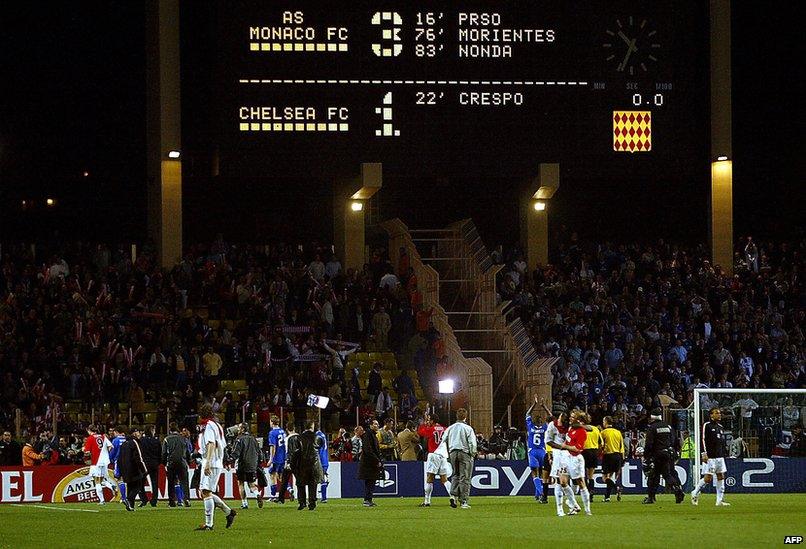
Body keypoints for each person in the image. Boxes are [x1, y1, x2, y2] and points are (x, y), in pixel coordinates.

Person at [195, 403, 236, 531]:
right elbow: (222, 445)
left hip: (211, 462)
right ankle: (229, 512)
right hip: (216, 461)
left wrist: (207, 463)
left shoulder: (208, 426)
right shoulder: (217, 425)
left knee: (206, 492)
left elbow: (211, 444)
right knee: (207, 491)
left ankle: (209, 524)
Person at [641, 408, 685, 504]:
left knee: (653, 476)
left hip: (658, 455)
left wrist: (646, 457)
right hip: (670, 453)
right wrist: (676, 452)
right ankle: (678, 489)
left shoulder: (652, 428)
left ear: (651, 418)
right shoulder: (668, 426)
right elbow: (676, 441)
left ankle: (651, 497)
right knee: (669, 474)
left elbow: (649, 444)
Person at [691, 407, 730, 507]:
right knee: (708, 478)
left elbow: (721, 442)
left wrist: (724, 453)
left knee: (721, 476)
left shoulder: (720, 427)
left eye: (720, 413)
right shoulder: (706, 425)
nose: (719, 414)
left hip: (720, 457)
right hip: (710, 457)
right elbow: (702, 439)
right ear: (711, 415)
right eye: (716, 413)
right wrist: (704, 453)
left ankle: (719, 501)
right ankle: (695, 492)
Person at [443, 408, 477, 509]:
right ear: (465, 417)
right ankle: (464, 501)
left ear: (456, 416)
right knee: (465, 477)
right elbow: (472, 443)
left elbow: (443, 440)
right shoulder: (468, 428)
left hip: (453, 452)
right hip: (464, 453)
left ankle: (453, 495)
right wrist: (472, 454)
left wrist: (448, 453)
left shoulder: (450, 428)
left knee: (455, 475)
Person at [560, 410, 591, 516]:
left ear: (578, 420)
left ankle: (587, 510)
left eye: (572, 417)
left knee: (581, 483)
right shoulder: (570, 428)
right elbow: (567, 441)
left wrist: (565, 447)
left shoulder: (582, 432)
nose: (570, 418)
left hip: (576, 459)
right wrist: (563, 447)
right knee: (563, 482)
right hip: (566, 457)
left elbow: (577, 449)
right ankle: (575, 505)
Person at [289, 420, 324, 511]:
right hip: (314, 464)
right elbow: (320, 448)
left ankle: (302, 503)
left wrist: (293, 465)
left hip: (302, 464)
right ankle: (312, 503)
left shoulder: (298, 438)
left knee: (301, 484)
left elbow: (295, 453)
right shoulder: (318, 437)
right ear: (312, 427)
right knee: (313, 484)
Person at [231, 422, 263, 509]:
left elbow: (236, 453)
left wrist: (230, 459)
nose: (237, 429)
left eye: (239, 428)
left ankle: (244, 503)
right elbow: (259, 452)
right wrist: (259, 462)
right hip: (252, 465)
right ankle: (257, 494)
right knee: (252, 484)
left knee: (241, 483)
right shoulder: (253, 439)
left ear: (242, 429)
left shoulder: (239, 439)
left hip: (242, 464)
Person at [545, 411, 572, 516]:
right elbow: (548, 441)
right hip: (558, 456)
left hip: (570, 456)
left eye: (561, 419)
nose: (558, 420)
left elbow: (589, 428)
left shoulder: (571, 427)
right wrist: (560, 447)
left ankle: (572, 503)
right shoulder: (552, 425)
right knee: (560, 481)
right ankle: (560, 508)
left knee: (570, 482)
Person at [82, 425, 115, 505]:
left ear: (89, 430)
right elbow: (111, 446)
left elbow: (87, 452)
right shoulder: (103, 437)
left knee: (97, 481)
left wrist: (83, 450)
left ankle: (102, 500)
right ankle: (111, 486)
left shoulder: (90, 438)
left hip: (96, 461)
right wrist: (106, 454)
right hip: (105, 461)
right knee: (101, 479)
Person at [525, 395, 549, 503]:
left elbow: (527, 414)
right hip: (542, 452)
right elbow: (551, 417)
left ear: (534, 421)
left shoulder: (530, 426)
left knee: (534, 473)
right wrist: (544, 407)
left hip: (533, 452)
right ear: (542, 421)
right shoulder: (545, 428)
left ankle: (541, 493)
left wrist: (534, 404)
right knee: (541, 474)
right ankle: (537, 494)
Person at [117, 427, 147, 512]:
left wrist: (120, 470)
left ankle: (131, 506)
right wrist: (144, 469)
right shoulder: (135, 442)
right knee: (138, 486)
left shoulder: (124, 444)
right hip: (134, 468)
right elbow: (139, 457)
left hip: (125, 469)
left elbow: (119, 458)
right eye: (138, 432)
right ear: (134, 433)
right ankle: (127, 499)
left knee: (130, 487)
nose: (139, 434)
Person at [162, 423, 192, 507]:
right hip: (182, 462)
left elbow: (164, 453)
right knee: (184, 482)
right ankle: (186, 499)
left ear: (170, 430)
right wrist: (189, 461)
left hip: (171, 463)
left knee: (171, 482)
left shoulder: (166, 439)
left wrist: (164, 463)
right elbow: (188, 452)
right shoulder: (184, 439)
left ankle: (172, 501)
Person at [420, 436, 454, 508]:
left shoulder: (431, 430)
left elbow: (424, 442)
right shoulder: (445, 430)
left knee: (430, 479)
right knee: (444, 479)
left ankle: (427, 501)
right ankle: (452, 497)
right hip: (443, 456)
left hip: (433, 454)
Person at [358, 419, 384, 507]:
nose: (377, 426)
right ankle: (367, 500)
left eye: (378, 424)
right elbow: (368, 450)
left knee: (371, 482)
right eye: (375, 424)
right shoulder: (368, 435)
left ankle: (368, 499)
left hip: (371, 463)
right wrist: (376, 460)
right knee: (370, 482)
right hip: (369, 464)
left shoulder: (372, 435)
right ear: (371, 425)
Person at [600, 416, 625, 502]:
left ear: (606, 422)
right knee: (610, 477)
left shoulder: (603, 433)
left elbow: (601, 445)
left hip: (608, 456)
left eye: (603, 421)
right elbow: (622, 447)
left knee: (604, 478)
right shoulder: (618, 432)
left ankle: (616, 487)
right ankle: (607, 497)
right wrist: (622, 459)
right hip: (618, 456)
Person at [135, 425, 161, 507]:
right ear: (151, 430)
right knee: (154, 482)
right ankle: (154, 501)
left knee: (141, 482)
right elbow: (160, 452)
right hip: (154, 463)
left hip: (144, 464)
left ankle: (144, 499)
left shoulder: (141, 440)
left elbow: (139, 453)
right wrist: (158, 462)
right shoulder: (156, 441)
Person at [582, 416, 603, 501]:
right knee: (591, 475)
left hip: (584, 452)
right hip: (594, 452)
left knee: (583, 475)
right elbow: (601, 443)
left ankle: (586, 493)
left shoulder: (581, 429)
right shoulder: (595, 429)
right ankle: (591, 492)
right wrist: (597, 453)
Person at [267, 416, 287, 501]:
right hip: (283, 457)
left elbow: (273, 447)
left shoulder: (272, 433)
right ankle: (290, 489)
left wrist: (271, 459)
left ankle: (273, 496)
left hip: (276, 458)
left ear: (272, 422)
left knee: (272, 475)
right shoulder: (283, 431)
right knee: (281, 476)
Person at [277, 424, 297, 504]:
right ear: (294, 428)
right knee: (300, 481)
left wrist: (287, 462)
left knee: (284, 481)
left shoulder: (287, 439)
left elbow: (288, 451)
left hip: (289, 462)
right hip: (298, 462)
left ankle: (281, 499)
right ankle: (303, 499)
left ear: (287, 430)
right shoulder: (299, 437)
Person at [109, 426, 128, 503]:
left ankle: (124, 498)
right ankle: (127, 497)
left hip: (119, 461)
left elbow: (112, 452)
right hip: (127, 461)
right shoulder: (126, 439)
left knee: (120, 479)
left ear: (116, 432)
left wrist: (110, 459)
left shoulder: (115, 440)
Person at [315, 426, 330, 503]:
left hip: (320, 460)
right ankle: (324, 498)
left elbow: (317, 449)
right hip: (325, 460)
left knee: (314, 479)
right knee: (322, 479)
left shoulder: (317, 436)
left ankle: (314, 497)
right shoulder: (323, 435)